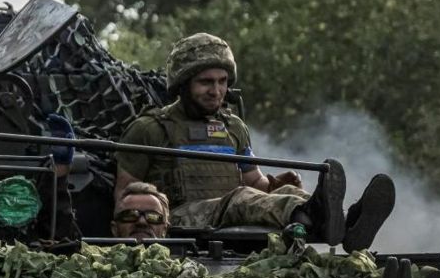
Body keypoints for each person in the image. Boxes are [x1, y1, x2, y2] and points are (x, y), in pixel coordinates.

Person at [116, 32, 394, 250]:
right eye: (206, 82)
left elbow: (255, 184)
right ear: (183, 83)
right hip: (176, 219)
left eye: (222, 81)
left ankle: (347, 223)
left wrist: (277, 184)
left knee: (288, 196)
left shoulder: (233, 127)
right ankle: (313, 213)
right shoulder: (149, 129)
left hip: (226, 211)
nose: (217, 91)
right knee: (240, 200)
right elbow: (124, 198)